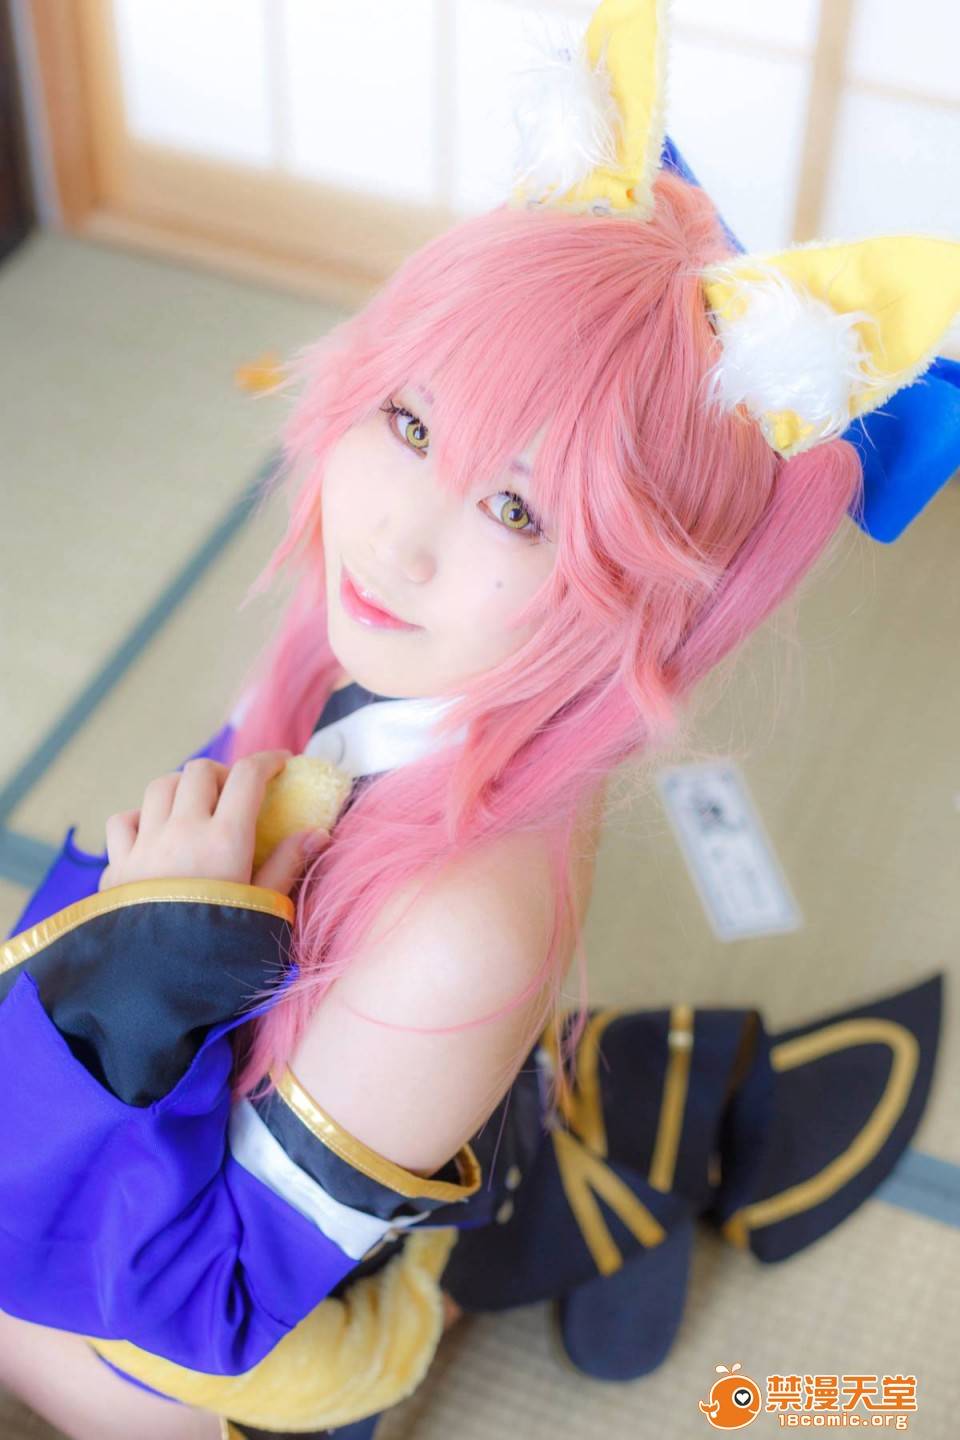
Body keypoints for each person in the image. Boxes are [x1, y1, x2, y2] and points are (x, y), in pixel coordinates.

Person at [0, 1, 956, 1436]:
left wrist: (134, 986)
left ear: (649, 595)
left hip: (244, 1346)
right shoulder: (382, 644)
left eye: (519, 509)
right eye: (410, 421)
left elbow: (218, 1305)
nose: (399, 539)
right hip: (145, 1177)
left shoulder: (466, 925)